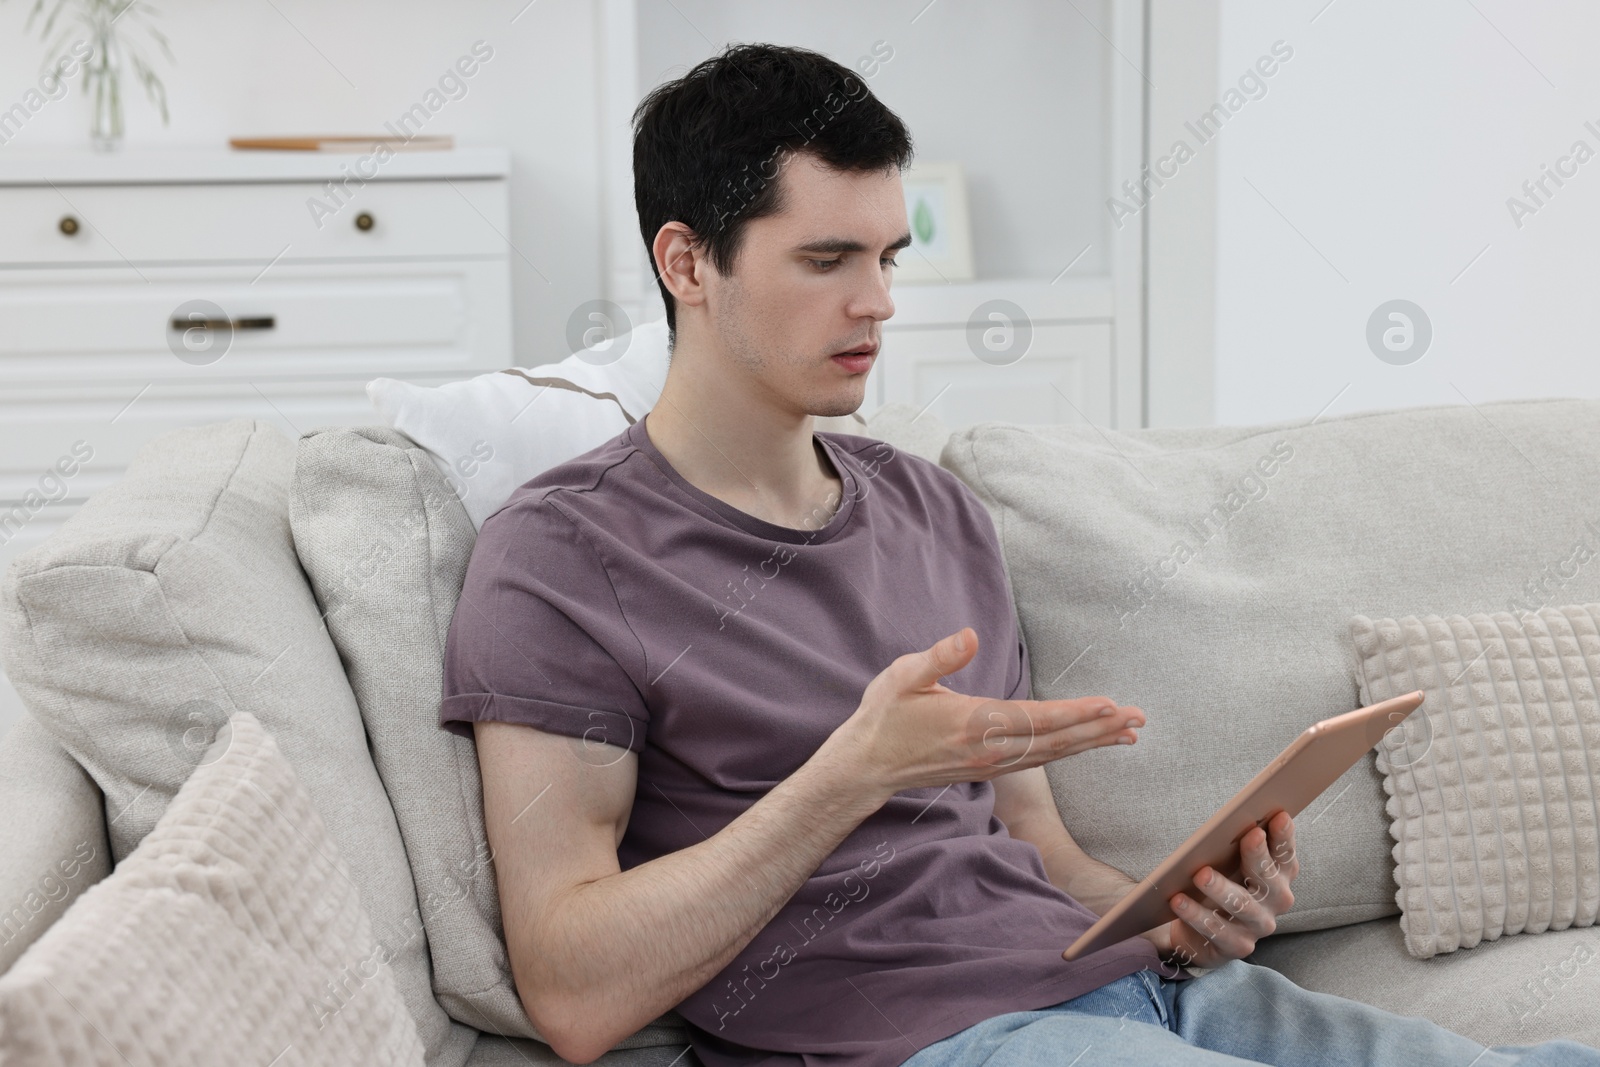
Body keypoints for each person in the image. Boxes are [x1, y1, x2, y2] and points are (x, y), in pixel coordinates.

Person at [439, 42, 1600, 1067]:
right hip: (930, 1043)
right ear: (688, 264)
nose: (878, 302)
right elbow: (574, 992)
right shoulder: (561, 553)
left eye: (890, 256)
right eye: (827, 259)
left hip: (1133, 997)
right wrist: (853, 770)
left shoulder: (935, 511)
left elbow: (1039, 850)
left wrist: (1180, 919)